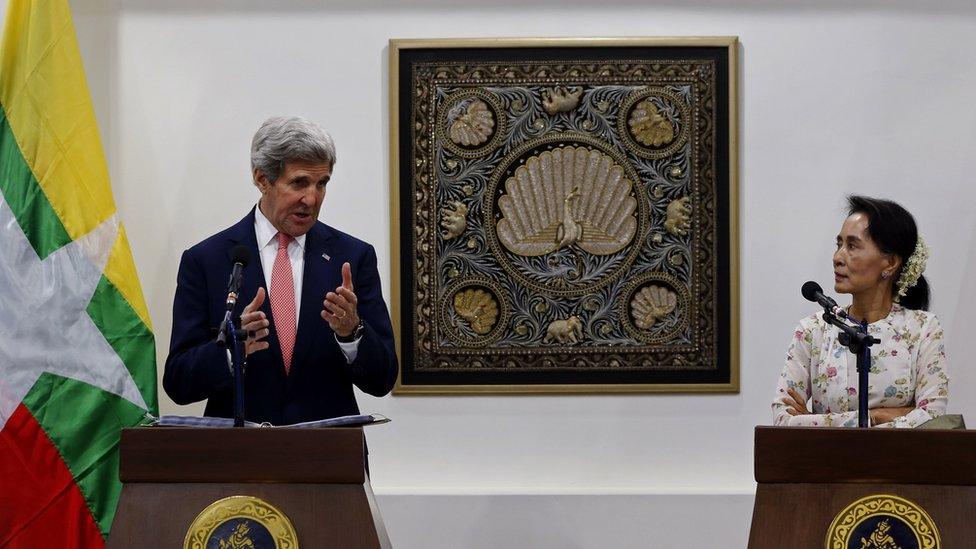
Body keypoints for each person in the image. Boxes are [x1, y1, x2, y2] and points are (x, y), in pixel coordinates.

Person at [164, 116, 398, 426]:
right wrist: (234, 350)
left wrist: (351, 332)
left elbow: (382, 380)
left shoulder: (353, 257)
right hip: (238, 460)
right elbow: (179, 383)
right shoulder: (206, 260)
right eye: (299, 182)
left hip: (328, 461)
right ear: (262, 179)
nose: (311, 199)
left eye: (322, 183)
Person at [772, 195, 948, 428]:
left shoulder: (922, 329)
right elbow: (783, 419)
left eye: (852, 246)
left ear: (890, 263)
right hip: (823, 463)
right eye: (839, 245)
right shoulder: (813, 330)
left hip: (897, 463)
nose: (837, 258)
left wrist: (816, 423)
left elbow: (934, 418)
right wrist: (876, 417)